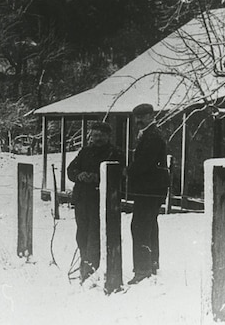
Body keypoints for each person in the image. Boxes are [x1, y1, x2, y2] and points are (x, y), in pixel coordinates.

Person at [66, 121, 123, 282]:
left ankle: (92, 271)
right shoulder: (85, 151)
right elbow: (71, 170)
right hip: (82, 200)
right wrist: (79, 175)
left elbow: (119, 175)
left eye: (101, 135)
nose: (97, 138)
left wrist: (99, 178)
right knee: (82, 235)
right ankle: (85, 265)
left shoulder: (114, 153)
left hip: (100, 202)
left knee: (95, 237)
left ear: (108, 136)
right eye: (94, 135)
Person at [126, 103, 170, 285]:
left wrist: (126, 171)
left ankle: (142, 270)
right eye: (136, 117)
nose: (138, 121)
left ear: (152, 116)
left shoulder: (152, 136)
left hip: (150, 190)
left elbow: (144, 163)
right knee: (149, 225)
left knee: (140, 226)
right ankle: (151, 264)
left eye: (142, 116)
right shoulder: (149, 134)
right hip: (151, 189)